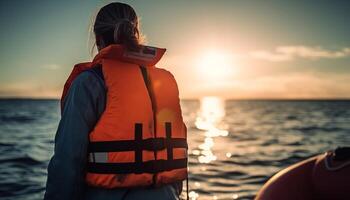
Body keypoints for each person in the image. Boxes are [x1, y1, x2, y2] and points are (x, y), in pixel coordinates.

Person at [44, 2, 188, 200]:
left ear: (98, 38)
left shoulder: (88, 83)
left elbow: (68, 161)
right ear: (136, 33)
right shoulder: (165, 81)